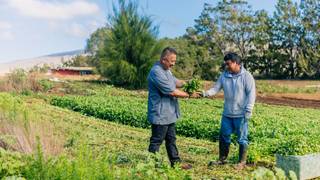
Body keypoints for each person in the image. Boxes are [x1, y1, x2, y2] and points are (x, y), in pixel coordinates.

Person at [203, 52, 256, 170]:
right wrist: (205, 93)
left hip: (241, 114)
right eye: (225, 64)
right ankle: (222, 159)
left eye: (228, 64)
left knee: (242, 138)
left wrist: (249, 109)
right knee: (224, 136)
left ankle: (242, 162)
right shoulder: (224, 75)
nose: (226, 66)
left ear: (236, 63)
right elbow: (215, 89)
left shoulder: (246, 76)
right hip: (227, 114)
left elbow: (251, 93)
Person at [147, 47, 192, 169]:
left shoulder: (166, 70)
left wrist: (188, 83)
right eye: (172, 61)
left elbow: (175, 82)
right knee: (156, 141)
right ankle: (152, 166)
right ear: (163, 60)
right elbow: (171, 91)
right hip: (160, 114)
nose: (173, 64)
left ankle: (175, 164)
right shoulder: (156, 72)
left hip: (169, 114)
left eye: (174, 61)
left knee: (171, 139)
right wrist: (190, 95)